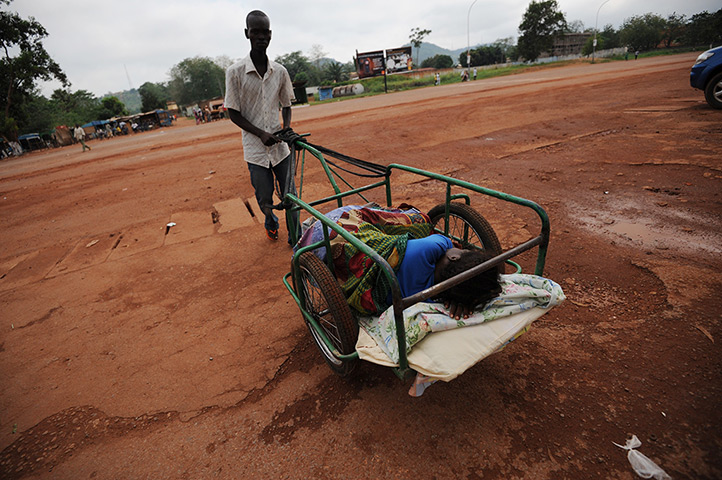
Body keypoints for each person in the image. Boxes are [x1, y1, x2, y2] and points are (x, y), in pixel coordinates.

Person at [225, 10, 298, 243]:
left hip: (280, 147)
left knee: (291, 195)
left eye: (265, 32)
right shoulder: (235, 73)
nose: (261, 37)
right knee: (264, 197)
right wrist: (260, 133)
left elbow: (286, 104)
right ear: (247, 34)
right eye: (255, 32)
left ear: (271, 35)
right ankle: (269, 220)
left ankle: (295, 237)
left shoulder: (281, 71)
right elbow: (233, 113)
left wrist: (286, 127)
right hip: (255, 150)